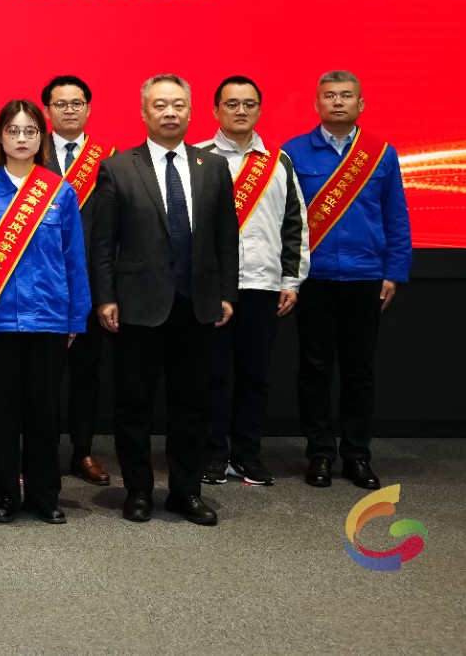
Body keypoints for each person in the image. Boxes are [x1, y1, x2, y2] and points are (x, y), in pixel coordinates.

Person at [90, 74, 237, 527]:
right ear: (144, 112)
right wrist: (105, 297)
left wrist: (226, 293)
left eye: (178, 104)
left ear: (191, 111)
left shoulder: (213, 167)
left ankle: (186, 491)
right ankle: (137, 490)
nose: (169, 112)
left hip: (197, 304)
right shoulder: (118, 167)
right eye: (160, 105)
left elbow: (226, 237)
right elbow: (103, 242)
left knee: (191, 405)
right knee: (134, 405)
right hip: (137, 306)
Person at [0, 101, 91, 523]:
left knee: (45, 414)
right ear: (0, 137)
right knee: (3, 414)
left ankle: (44, 496)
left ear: (41, 139)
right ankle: (6, 495)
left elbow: (75, 261)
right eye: (13, 131)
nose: (22, 138)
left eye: (30, 131)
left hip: (49, 319)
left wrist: (76, 317)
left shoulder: (60, 192)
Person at [284, 70, 411, 491]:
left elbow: (396, 217)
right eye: (329, 95)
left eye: (346, 95)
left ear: (361, 103)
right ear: (316, 104)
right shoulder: (292, 152)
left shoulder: (381, 154)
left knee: (359, 371)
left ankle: (357, 455)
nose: (337, 102)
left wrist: (393, 271)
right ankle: (320, 453)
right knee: (315, 369)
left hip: (366, 277)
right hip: (314, 278)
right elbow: (285, 220)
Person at [197, 77, 309, 487]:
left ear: (260, 109)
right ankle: (212, 454)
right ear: (216, 110)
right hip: (212, 289)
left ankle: (247, 455)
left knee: (255, 377)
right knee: (211, 376)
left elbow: (296, 223)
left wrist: (292, 280)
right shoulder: (198, 158)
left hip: (263, 286)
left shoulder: (279, 162)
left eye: (249, 103)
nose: (240, 110)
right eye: (232, 103)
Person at [42, 74, 117, 488]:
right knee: (42, 374)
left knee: (86, 374)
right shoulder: (30, 151)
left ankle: (83, 451)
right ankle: (42, 450)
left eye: (76, 103)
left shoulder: (109, 159)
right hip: (39, 286)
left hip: (88, 285)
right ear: (47, 111)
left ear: (88, 108)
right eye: (60, 104)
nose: (69, 110)